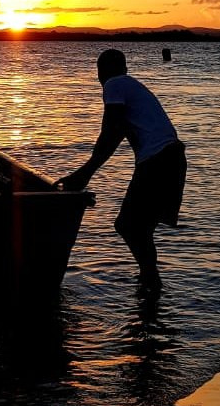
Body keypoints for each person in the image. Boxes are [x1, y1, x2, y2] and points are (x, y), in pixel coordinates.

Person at [56, 48, 186, 296]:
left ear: (101, 72)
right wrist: (86, 171)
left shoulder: (115, 84)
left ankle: (151, 281)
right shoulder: (131, 86)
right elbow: (113, 136)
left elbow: (110, 133)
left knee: (128, 225)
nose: (99, 78)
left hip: (159, 161)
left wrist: (84, 173)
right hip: (173, 159)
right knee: (140, 228)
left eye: (98, 73)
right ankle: (150, 287)